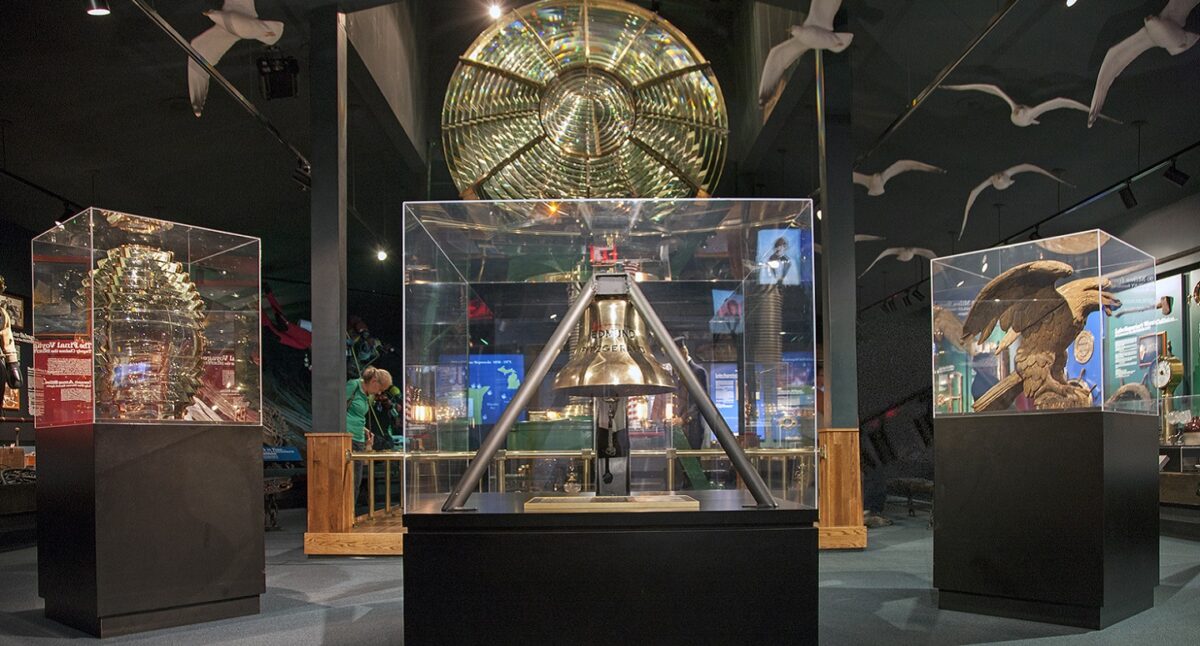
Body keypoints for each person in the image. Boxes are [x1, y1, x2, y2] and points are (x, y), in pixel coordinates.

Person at [346, 366, 392, 505]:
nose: (379, 392)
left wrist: (364, 429)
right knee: (349, 480)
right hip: (348, 437)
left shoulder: (368, 395)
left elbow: (357, 414)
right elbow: (338, 408)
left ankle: (350, 515)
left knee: (356, 481)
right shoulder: (353, 386)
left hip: (359, 437)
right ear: (373, 381)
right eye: (380, 388)